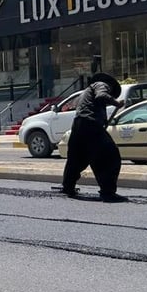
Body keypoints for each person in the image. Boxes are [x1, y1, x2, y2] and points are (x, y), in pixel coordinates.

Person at [60, 72, 127, 202]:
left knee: (77, 158)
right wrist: (116, 103)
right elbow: (102, 95)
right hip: (90, 125)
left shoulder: (86, 93)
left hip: (79, 125)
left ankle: (68, 186)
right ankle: (108, 193)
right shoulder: (101, 84)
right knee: (109, 156)